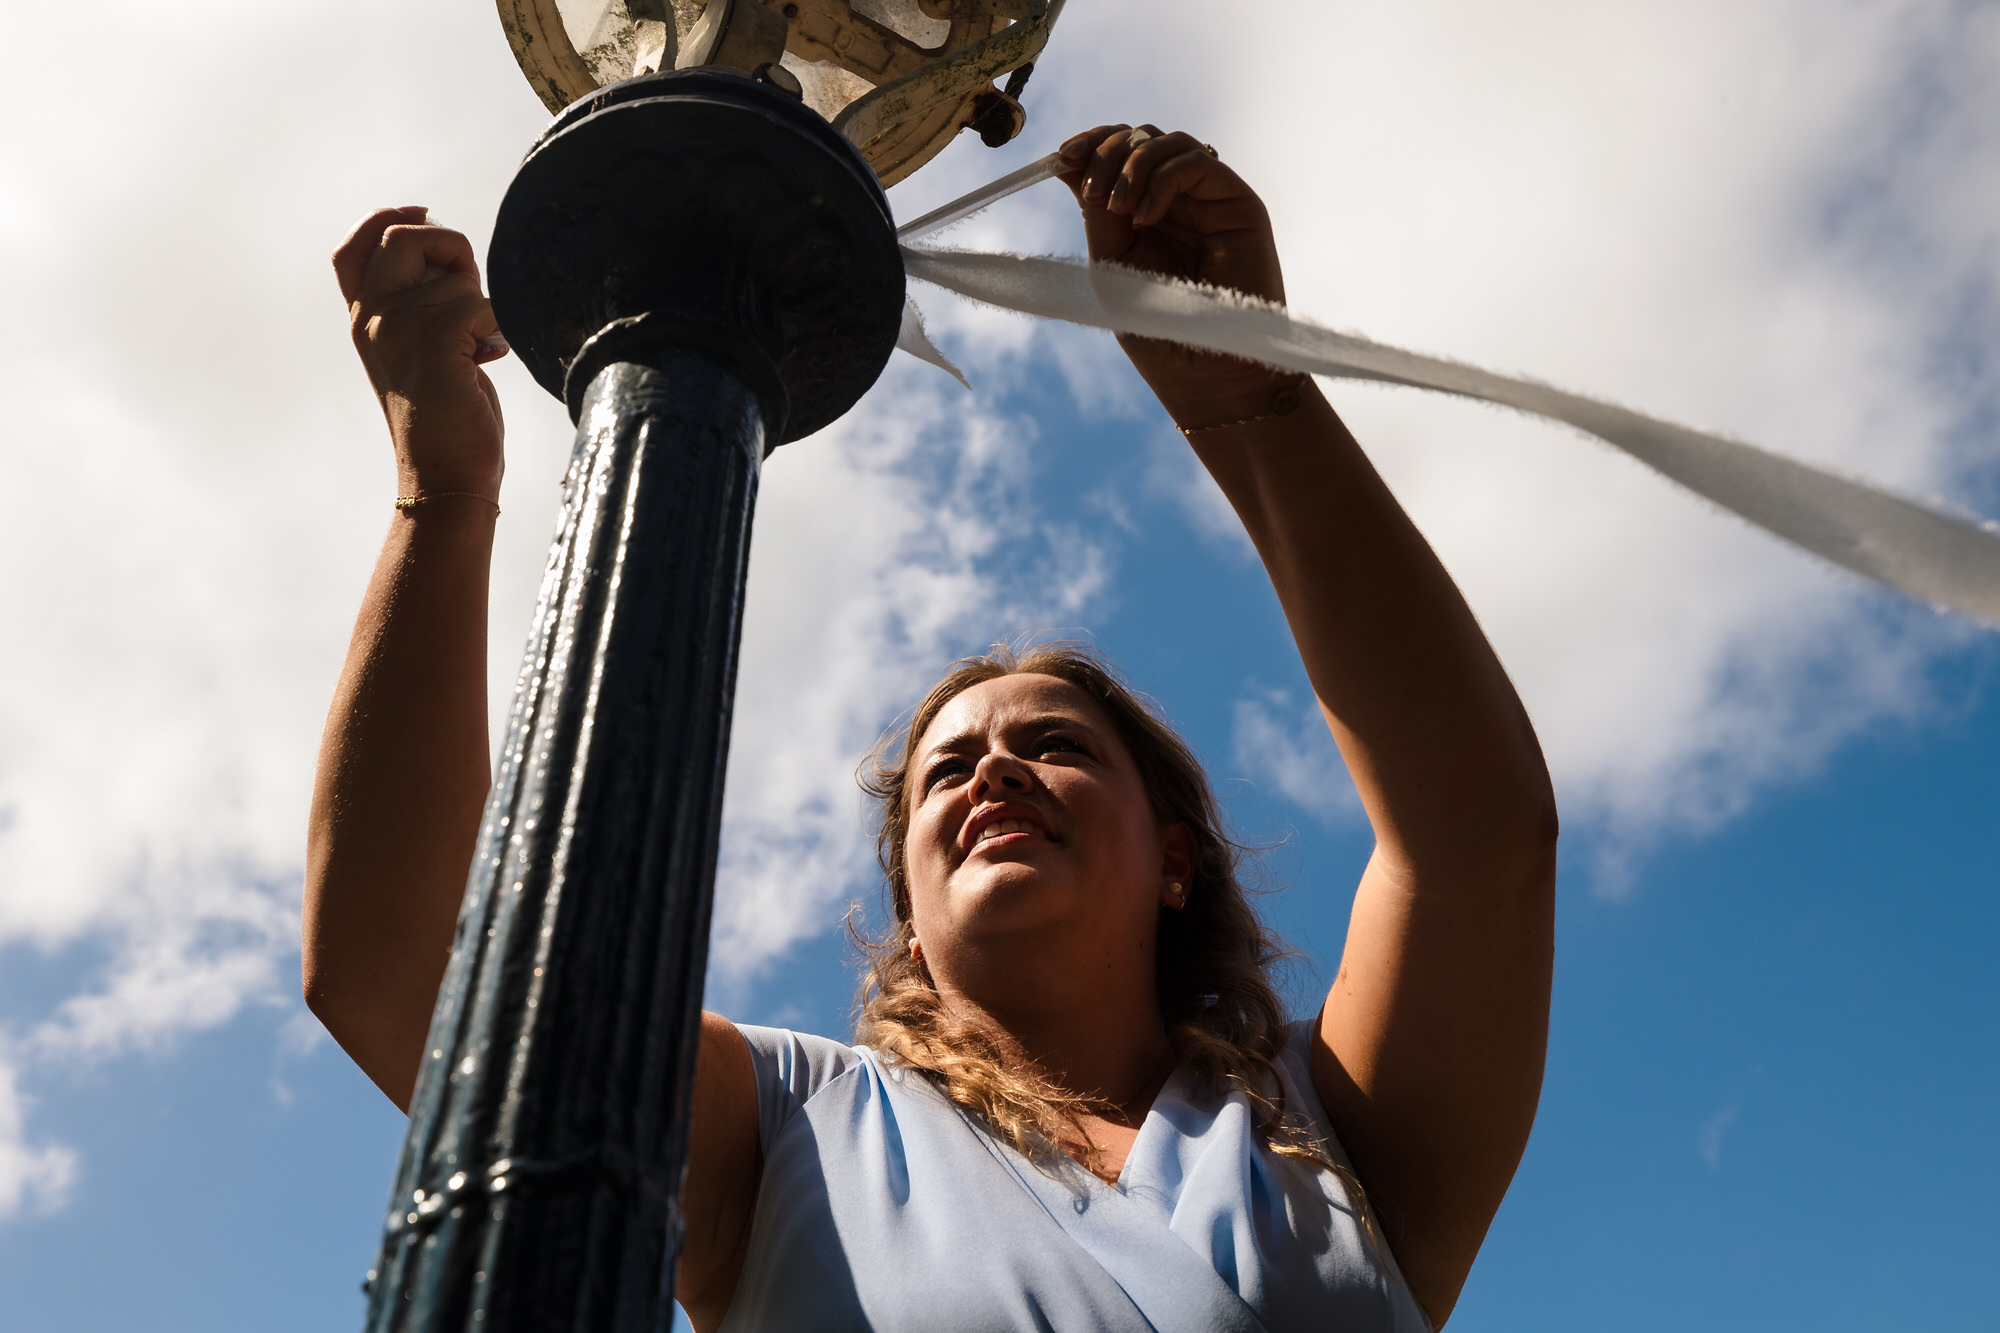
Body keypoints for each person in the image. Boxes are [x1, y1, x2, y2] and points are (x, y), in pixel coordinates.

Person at [306, 123, 1558, 1332]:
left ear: (1177, 858)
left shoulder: (1327, 1129)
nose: (993, 768)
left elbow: (1478, 845)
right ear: (908, 897)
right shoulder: (783, 1129)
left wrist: (1250, 391)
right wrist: (442, 490)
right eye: (944, 771)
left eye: (1055, 745)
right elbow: (402, 970)